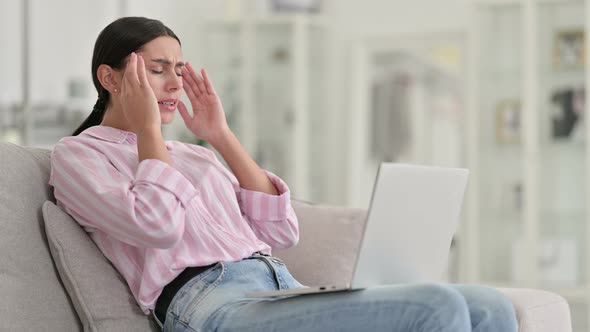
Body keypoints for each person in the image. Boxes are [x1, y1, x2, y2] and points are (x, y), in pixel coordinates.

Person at [49, 16, 518, 332]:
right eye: (157, 70)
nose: (174, 83)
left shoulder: (192, 155)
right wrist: (149, 127)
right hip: (211, 306)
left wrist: (220, 135)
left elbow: (281, 230)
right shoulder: (78, 156)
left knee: (491, 305)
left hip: (279, 287)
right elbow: (158, 224)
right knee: (439, 307)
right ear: (111, 79)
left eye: (178, 69)